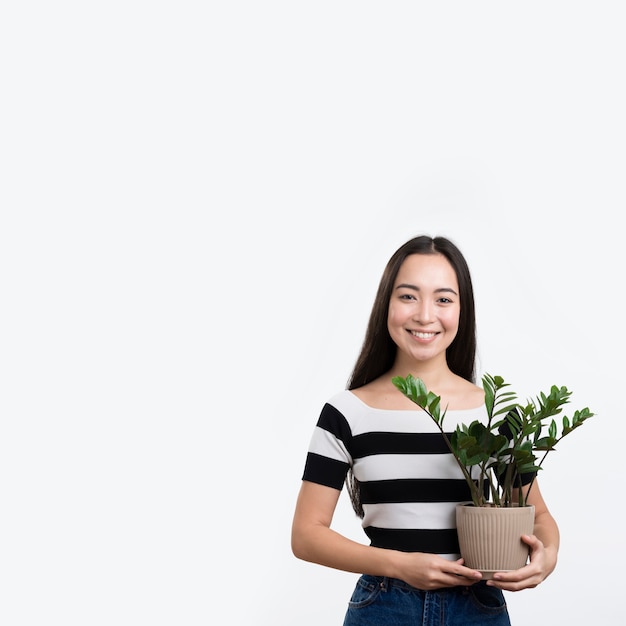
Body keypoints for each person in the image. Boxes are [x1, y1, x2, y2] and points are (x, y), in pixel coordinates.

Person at [291, 235, 560, 625]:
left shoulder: (494, 413)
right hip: (384, 606)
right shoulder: (346, 412)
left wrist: (546, 557)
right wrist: (399, 565)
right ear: (386, 303)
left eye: (444, 299)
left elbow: (539, 515)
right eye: (408, 296)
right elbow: (306, 534)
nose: (424, 315)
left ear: (462, 311)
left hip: (479, 608)